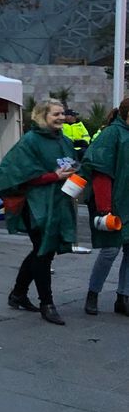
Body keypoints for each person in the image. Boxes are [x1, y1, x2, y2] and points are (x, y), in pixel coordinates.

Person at [0, 98, 77, 326]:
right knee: (43, 250)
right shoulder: (30, 141)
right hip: (35, 205)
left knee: (43, 251)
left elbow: (72, 165)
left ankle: (18, 293)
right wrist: (53, 176)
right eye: (56, 114)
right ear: (43, 116)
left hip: (58, 202)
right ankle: (46, 303)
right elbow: (15, 172)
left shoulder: (64, 140)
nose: (61, 117)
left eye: (62, 113)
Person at [77, 98, 129, 317]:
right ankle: (93, 293)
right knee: (110, 250)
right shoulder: (112, 134)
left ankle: (123, 297)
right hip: (113, 204)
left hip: (125, 201)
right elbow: (100, 173)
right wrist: (105, 209)